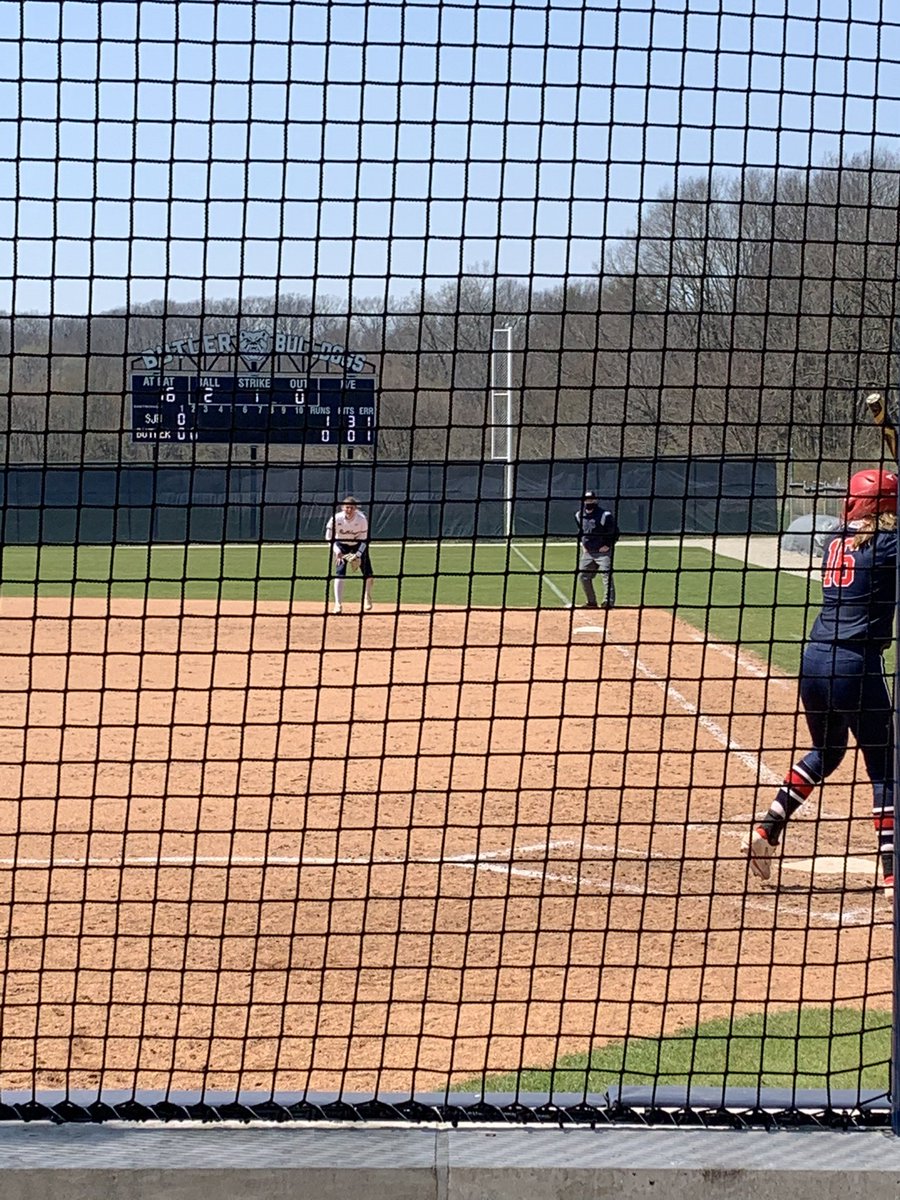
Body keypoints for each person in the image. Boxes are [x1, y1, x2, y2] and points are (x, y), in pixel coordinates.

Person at [743, 467, 898, 898]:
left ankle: (768, 827)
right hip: (855, 665)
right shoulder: (887, 546)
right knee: (885, 766)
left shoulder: (835, 539)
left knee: (827, 752)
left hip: (814, 661)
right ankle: (892, 872)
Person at [325, 496, 374, 615]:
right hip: (341, 545)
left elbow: (364, 540)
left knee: (369, 575)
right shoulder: (336, 518)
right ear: (342, 508)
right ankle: (338, 604)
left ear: (355, 508)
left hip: (358, 545)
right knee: (339, 573)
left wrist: (358, 555)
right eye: (347, 507)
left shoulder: (361, 519)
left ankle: (367, 596)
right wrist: (337, 551)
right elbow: (328, 537)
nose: (349, 510)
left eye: (352, 508)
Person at [575, 490, 618, 608]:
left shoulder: (605, 515)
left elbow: (615, 532)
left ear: (596, 500)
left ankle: (608, 602)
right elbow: (581, 531)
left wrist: (608, 545)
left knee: (606, 576)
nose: (589, 501)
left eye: (591, 499)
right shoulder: (579, 515)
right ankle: (591, 602)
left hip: (602, 552)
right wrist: (583, 545)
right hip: (588, 552)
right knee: (583, 576)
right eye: (587, 499)